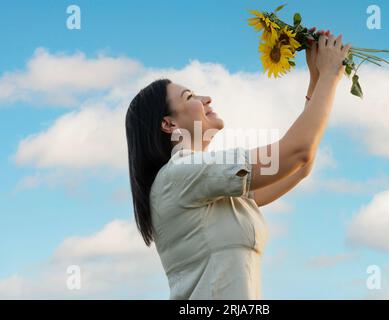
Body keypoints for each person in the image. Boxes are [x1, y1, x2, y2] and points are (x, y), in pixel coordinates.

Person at [125, 31, 351, 299]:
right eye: (190, 97)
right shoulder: (181, 173)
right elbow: (296, 153)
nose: (206, 99)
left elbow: (301, 165)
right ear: (168, 124)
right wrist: (328, 76)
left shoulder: (208, 184)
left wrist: (316, 80)